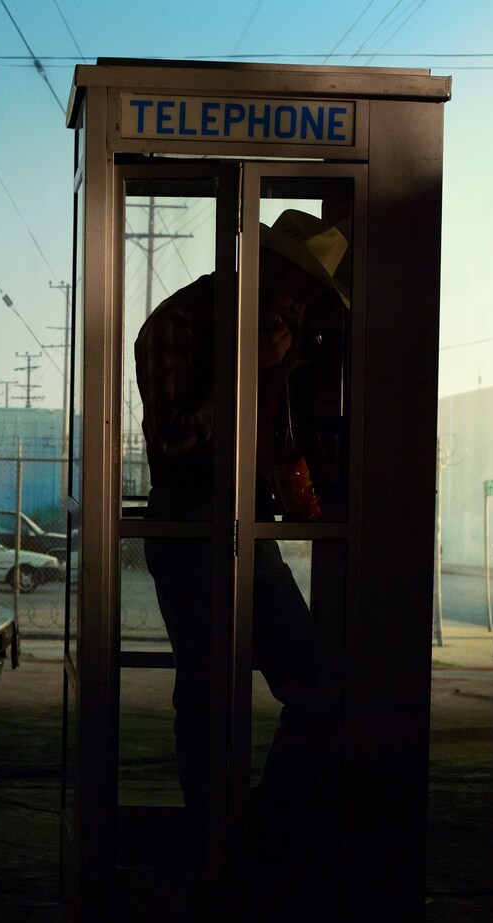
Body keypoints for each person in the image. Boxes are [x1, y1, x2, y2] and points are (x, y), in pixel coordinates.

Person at [134, 209, 349, 833]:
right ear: (265, 268)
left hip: (249, 526)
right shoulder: (178, 323)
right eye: (296, 290)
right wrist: (244, 364)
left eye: (309, 300)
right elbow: (171, 446)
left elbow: (272, 444)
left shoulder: (272, 341)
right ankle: (212, 836)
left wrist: (310, 498)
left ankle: (258, 829)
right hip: (190, 525)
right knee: (206, 693)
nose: (298, 311)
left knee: (313, 691)